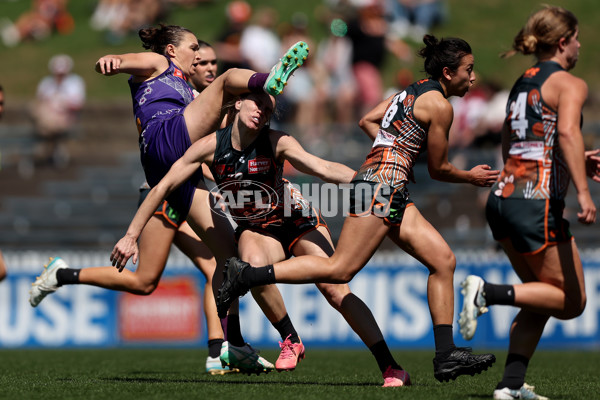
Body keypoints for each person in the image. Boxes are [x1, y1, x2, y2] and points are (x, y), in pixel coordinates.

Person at [218, 34, 500, 383]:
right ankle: (246, 276)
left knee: (443, 261)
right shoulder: (441, 106)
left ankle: (445, 355)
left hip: (384, 184)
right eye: (468, 70)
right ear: (447, 72)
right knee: (339, 270)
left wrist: (391, 151)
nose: (473, 78)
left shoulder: (408, 92)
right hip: (382, 187)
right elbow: (440, 169)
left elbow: (367, 119)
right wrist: (470, 177)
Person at [31, 23, 308, 375]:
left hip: (178, 174)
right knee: (227, 81)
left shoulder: (191, 94)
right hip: (163, 139)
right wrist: (114, 60)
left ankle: (233, 343)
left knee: (227, 261)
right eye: (194, 49)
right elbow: (131, 59)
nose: (199, 56)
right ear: (172, 51)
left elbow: (212, 155)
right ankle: (269, 78)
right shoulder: (160, 65)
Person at [112, 89, 411, 385]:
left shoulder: (276, 141)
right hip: (257, 229)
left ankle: (391, 367)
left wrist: (377, 185)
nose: (262, 112)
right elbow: (163, 186)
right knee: (250, 268)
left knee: (335, 290)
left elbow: (324, 168)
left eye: (268, 110)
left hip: (297, 219)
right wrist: (130, 234)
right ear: (238, 103)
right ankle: (291, 339)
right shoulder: (208, 147)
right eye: (257, 104)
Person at [28, 42, 234, 375]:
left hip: (183, 191)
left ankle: (62, 275)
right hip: (164, 196)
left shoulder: (200, 103)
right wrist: (113, 60)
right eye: (202, 60)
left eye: (214, 62)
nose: (209, 67)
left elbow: (201, 158)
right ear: (189, 64)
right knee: (176, 276)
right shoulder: (180, 95)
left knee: (183, 275)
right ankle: (220, 351)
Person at [458, 6, 600, 400]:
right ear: (562, 42)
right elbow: (569, 134)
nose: (579, 44)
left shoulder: (523, 82)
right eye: (575, 38)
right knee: (571, 301)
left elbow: (513, 139)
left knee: (540, 295)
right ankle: (486, 293)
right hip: (534, 202)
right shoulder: (570, 84)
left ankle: (510, 386)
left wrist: (569, 162)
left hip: (503, 197)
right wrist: (584, 192)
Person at [30, 54, 85, 168]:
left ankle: (47, 142)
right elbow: (39, 101)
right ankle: (49, 140)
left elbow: (78, 104)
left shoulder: (75, 83)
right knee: (37, 109)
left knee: (50, 118)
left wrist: (61, 105)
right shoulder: (46, 83)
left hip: (66, 117)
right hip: (48, 116)